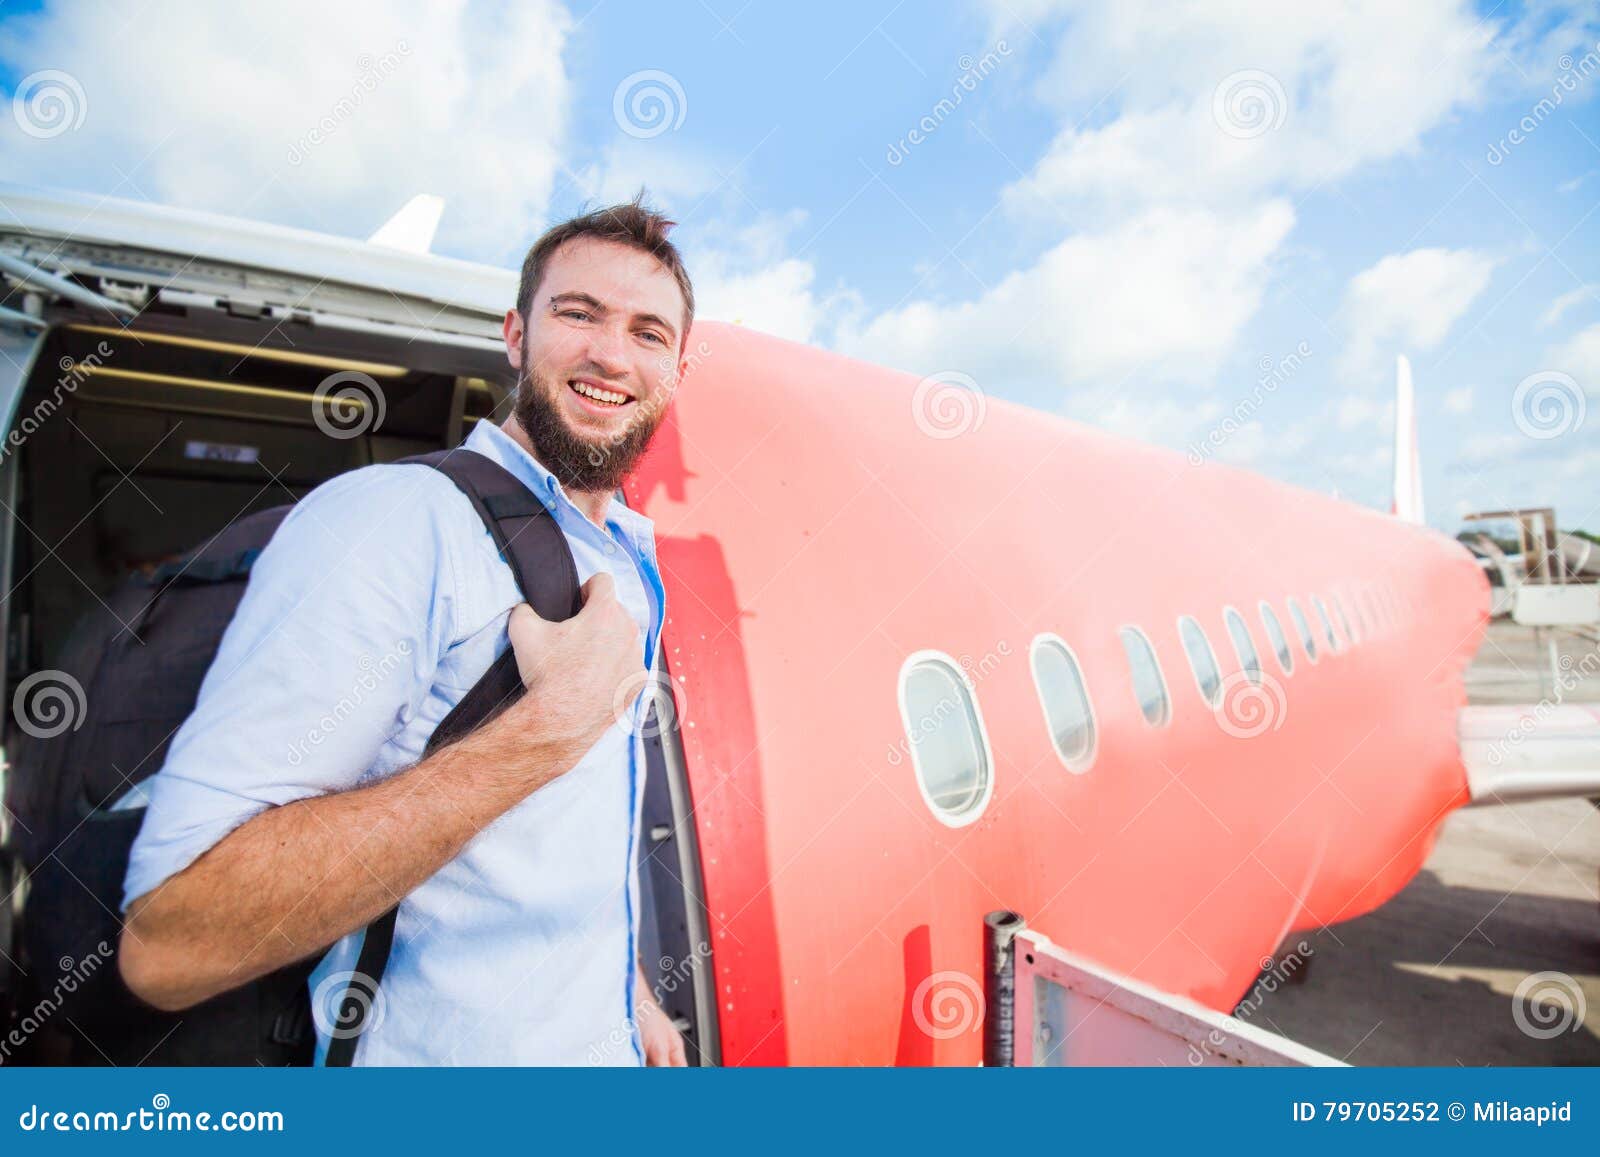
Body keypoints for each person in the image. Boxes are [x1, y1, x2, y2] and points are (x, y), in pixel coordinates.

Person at [116, 195, 693, 1067]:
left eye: (649, 332)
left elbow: (552, 845)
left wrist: (625, 997)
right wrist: (543, 732)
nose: (612, 353)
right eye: (579, 314)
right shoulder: (398, 519)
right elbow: (171, 938)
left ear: (678, 369)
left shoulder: (625, 559)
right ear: (514, 334)